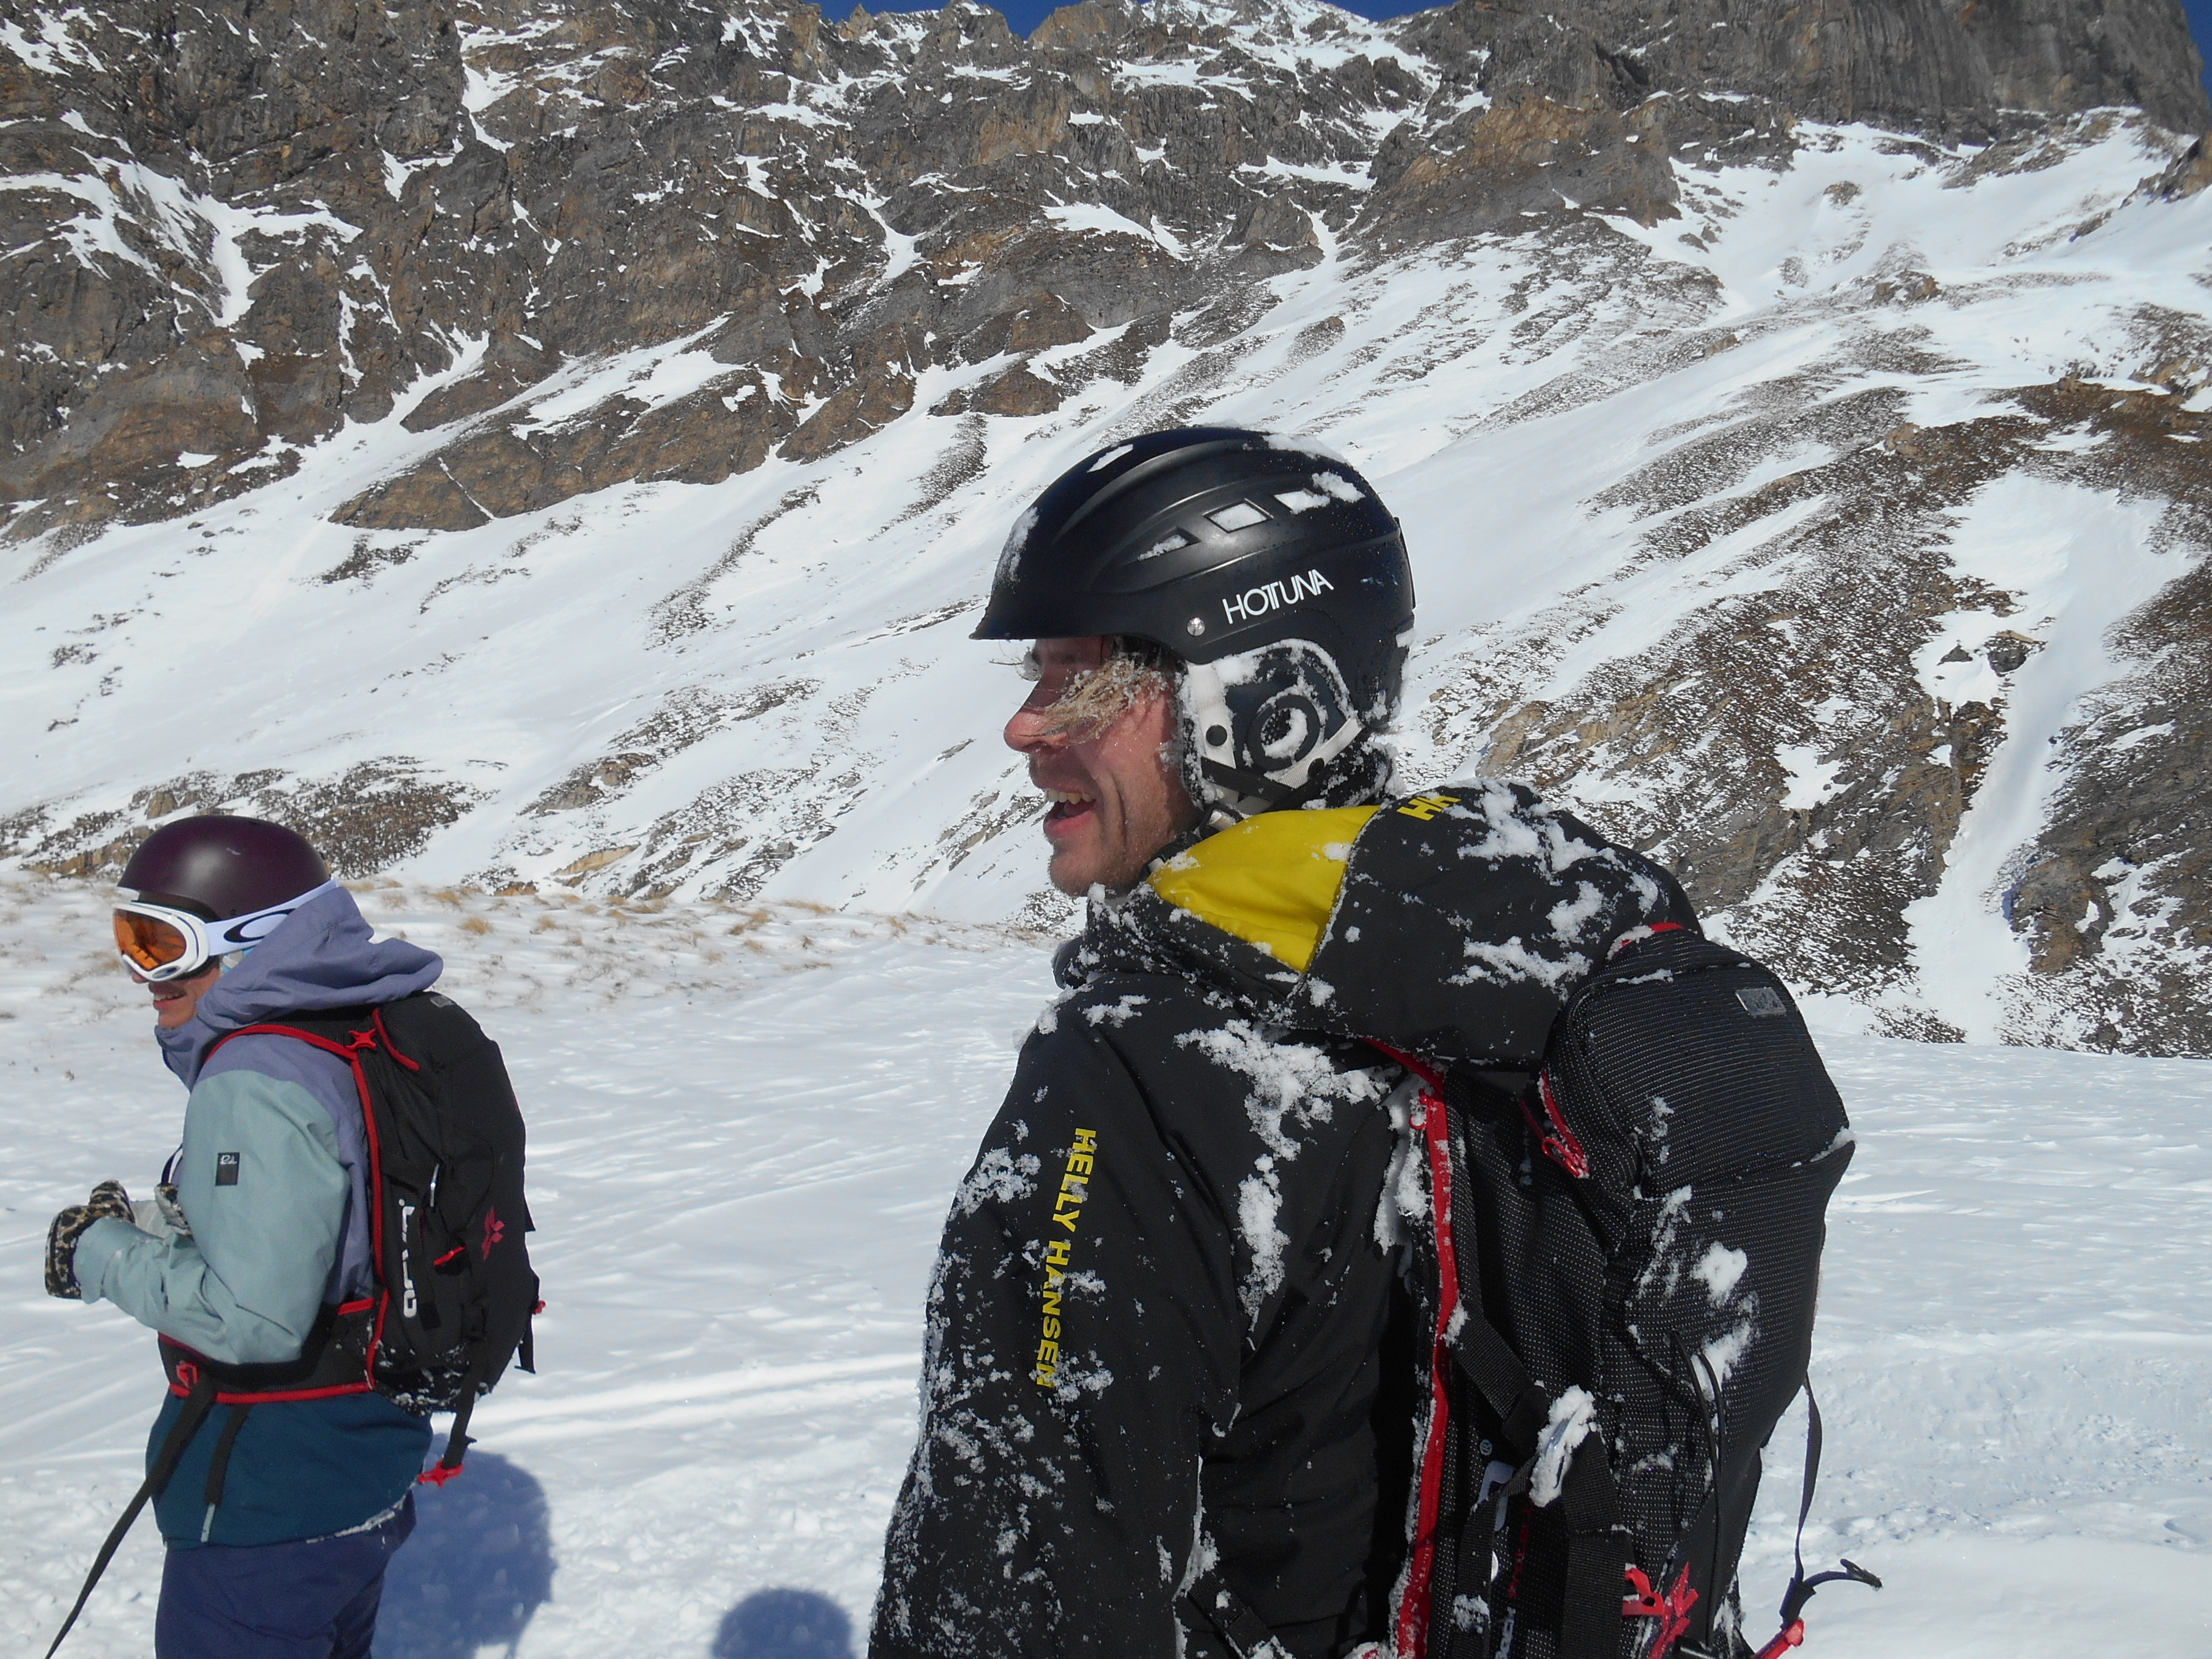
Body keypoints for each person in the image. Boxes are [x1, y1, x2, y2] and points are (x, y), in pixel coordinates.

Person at [870, 429, 1700, 1657]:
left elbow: (1020, 1582)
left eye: (1081, 680)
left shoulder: (1142, 1073)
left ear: (1260, 705)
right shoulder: (1517, 982)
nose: (1025, 727)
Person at [45, 816, 439, 1658]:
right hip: (363, 1461)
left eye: (163, 944)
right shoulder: (357, 1024)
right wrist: (161, 1222)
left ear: (251, 940)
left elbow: (253, 1320)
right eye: (130, 939)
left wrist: (98, 1254)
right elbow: (335, 1218)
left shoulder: (254, 1079)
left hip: (267, 1492)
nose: (143, 975)